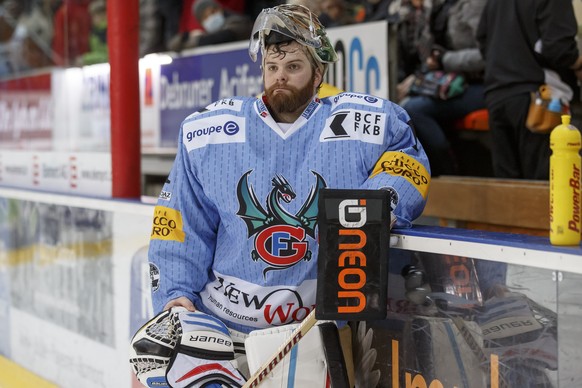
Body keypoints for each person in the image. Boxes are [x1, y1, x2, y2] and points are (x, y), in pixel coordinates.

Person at [144, 3, 430, 384]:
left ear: (318, 73)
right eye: (271, 67)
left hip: (314, 335)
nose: (280, 77)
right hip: (223, 335)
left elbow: (407, 156)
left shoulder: (366, 122)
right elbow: (180, 222)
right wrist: (176, 294)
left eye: (293, 67)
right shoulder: (208, 132)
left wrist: (381, 203)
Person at [476, 0, 582, 180]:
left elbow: (482, 40)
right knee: (542, 188)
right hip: (539, 98)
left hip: (497, 94)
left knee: (507, 188)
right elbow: (558, 49)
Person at [401, 0, 487, 177]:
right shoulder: (437, 7)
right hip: (449, 83)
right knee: (402, 106)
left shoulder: (475, 5)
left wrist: (445, 59)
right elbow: (427, 54)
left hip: (481, 84)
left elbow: (488, 54)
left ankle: (447, 172)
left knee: (413, 109)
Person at [168, 0, 253, 51]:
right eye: (205, 18)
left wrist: (198, 40)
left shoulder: (239, 22)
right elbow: (173, 46)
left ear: (219, 9)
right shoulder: (206, 34)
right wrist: (187, 36)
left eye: (212, 12)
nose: (210, 18)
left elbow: (225, 36)